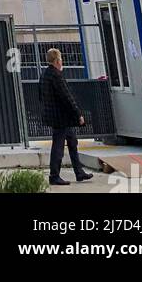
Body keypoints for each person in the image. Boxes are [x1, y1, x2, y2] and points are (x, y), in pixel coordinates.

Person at [40, 46, 93, 185]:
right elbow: (67, 97)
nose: (62, 61)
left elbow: (40, 95)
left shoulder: (45, 74)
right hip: (61, 118)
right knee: (58, 146)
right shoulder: (57, 76)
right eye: (61, 59)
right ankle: (54, 175)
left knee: (72, 142)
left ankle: (79, 172)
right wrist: (78, 114)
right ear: (57, 60)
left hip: (54, 116)